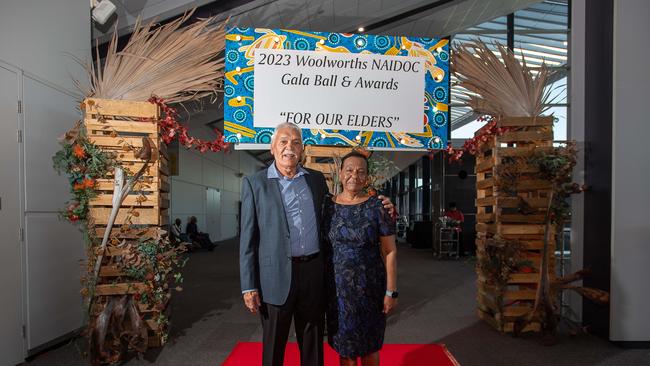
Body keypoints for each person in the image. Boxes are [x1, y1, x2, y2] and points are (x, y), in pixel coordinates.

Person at [239, 122, 394, 366]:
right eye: (283, 142)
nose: (290, 147)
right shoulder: (254, 184)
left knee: (312, 343)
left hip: (313, 273)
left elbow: (341, 206)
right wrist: (249, 286)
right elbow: (247, 240)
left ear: (302, 149)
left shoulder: (315, 180)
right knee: (273, 347)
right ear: (272, 148)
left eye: (296, 142)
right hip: (275, 276)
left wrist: (379, 202)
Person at [324, 151, 398, 366]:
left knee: (369, 347)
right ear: (340, 173)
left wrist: (391, 291)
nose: (354, 176)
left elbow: (390, 251)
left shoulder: (378, 207)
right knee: (344, 349)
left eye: (360, 172)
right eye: (349, 170)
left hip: (370, 290)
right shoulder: (327, 206)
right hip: (337, 292)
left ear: (367, 177)